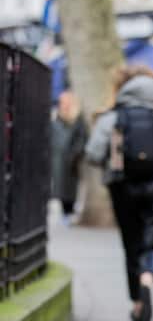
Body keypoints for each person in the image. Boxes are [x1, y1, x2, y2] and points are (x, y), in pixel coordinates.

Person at [86, 65, 153, 321]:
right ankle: (148, 276)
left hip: (122, 186)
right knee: (151, 235)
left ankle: (137, 301)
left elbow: (93, 153)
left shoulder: (113, 116)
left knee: (131, 242)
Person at [50, 90, 87, 223]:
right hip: (58, 157)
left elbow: (81, 139)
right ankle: (64, 212)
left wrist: (74, 153)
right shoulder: (57, 118)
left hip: (72, 160)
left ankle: (70, 212)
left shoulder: (77, 119)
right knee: (59, 185)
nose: (62, 104)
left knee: (71, 187)